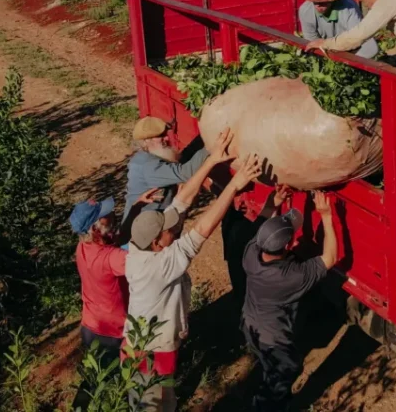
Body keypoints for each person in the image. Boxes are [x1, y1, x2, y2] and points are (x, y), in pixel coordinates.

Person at [124, 133, 262, 412]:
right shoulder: (162, 266)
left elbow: (181, 203)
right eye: (169, 231)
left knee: (165, 396)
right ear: (157, 242)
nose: (175, 229)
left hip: (141, 343)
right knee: (149, 405)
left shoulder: (138, 248)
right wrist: (234, 185)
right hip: (150, 351)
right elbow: (203, 229)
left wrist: (211, 160)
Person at [68, 186, 164, 412]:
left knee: (96, 377)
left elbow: (118, 236)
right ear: (95, 228)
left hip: (91, 326)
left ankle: (81, 409)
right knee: (126, 375)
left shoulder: (83, 247)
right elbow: (144, 263)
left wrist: (138, 205)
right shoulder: (111, 259)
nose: (112, 216)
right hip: (112, 331)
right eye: (106, 216)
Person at [242, 190, 339, 411]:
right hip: (274, 339)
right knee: (283, 376)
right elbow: (330, 258)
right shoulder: (291, 277)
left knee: (268, 366)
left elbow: (263, 221)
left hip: (251, 326)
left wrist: (275, 201)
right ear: (287, 247)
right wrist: (326, 215)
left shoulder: (251, 254)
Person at [124, 116, 211, 220]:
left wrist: (205, 135)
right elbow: (185, 172)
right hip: (150, 230)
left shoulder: (143, 157)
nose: (166, 138)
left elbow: (182, 160)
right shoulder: (149, 166)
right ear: (146, 140)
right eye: (161, 136)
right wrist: (210, 143)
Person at [298, 0, 378, 59]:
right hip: (324, 51)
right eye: (315, 1)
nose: (318, 5)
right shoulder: (305, 11)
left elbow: (357, 38)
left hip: (350, 48)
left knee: (371, 48)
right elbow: (312, 41)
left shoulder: (349, 8)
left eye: (323, 1)